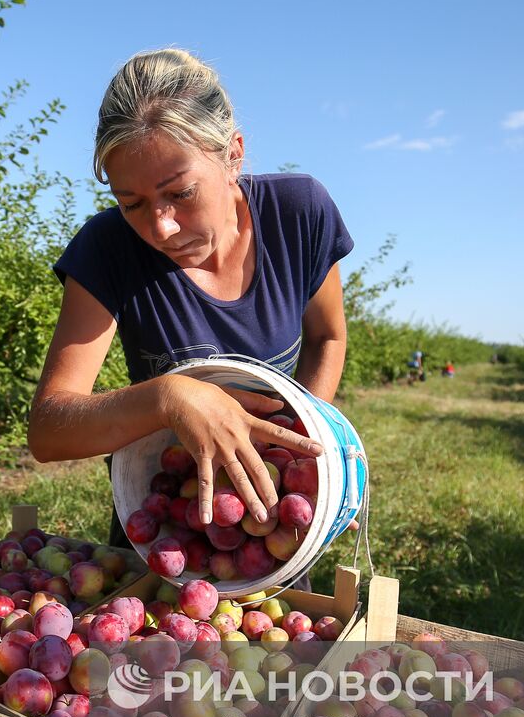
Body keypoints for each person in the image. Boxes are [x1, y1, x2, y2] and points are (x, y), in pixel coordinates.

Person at [27, 48, 354, 551]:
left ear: (233, 157)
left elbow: (327, 336)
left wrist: (304, 456)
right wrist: (169, 396)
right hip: (171, 525)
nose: (160, 227)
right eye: (130, 203)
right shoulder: (108, 250)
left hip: (267, 520)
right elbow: (49, 430)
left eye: (180, 193)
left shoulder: (299, 214)